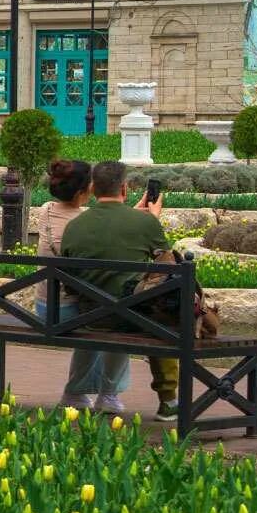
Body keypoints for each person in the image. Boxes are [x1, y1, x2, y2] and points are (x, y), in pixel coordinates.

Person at [59, 159, 169, 416]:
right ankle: (109, 395)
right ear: (125, 188)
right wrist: (152, 220)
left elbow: (68, 275)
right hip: (126, 316)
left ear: (93, 187)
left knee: (110, 306)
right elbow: (168, 265)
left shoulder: (75, 225)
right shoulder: (145, 224)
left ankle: (77, 391)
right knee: (126, 308)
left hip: (84, 313)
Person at [35, 158, 107, 408]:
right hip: (69, 312)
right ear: (83, 191)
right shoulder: (87, 221)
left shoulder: (45, 210)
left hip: (43, 306)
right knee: (115, 320)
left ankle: (80, 392)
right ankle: (103, 395)